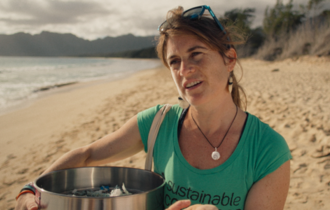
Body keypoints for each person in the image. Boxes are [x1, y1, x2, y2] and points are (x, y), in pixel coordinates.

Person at [15, 5, 292, 210]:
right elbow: (86, 155)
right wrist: (30, 189)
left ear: (229, 59)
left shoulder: (267, 149)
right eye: (174, 61)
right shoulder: (157, 123)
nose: (184, 70)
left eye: (196, 54)